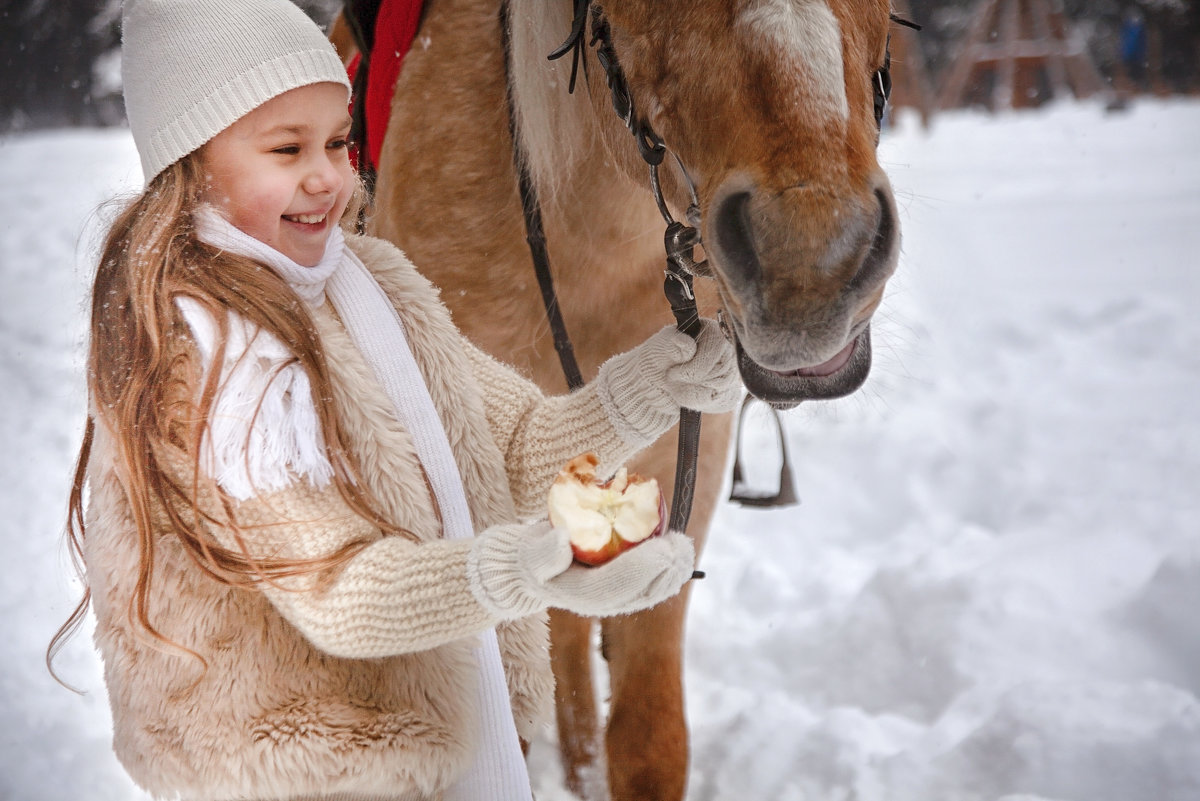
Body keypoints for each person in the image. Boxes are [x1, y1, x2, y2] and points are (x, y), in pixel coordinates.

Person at [53, 0, 741, 799]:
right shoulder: (212, 358)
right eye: (286, 149)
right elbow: (340, 591)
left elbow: (508, 447)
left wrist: (644, 391)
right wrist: (520, 570)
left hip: (434, 757)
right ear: (191, 163)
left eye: (341, 143)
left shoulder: (372, 284)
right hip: (303, 774)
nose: (329, 178)